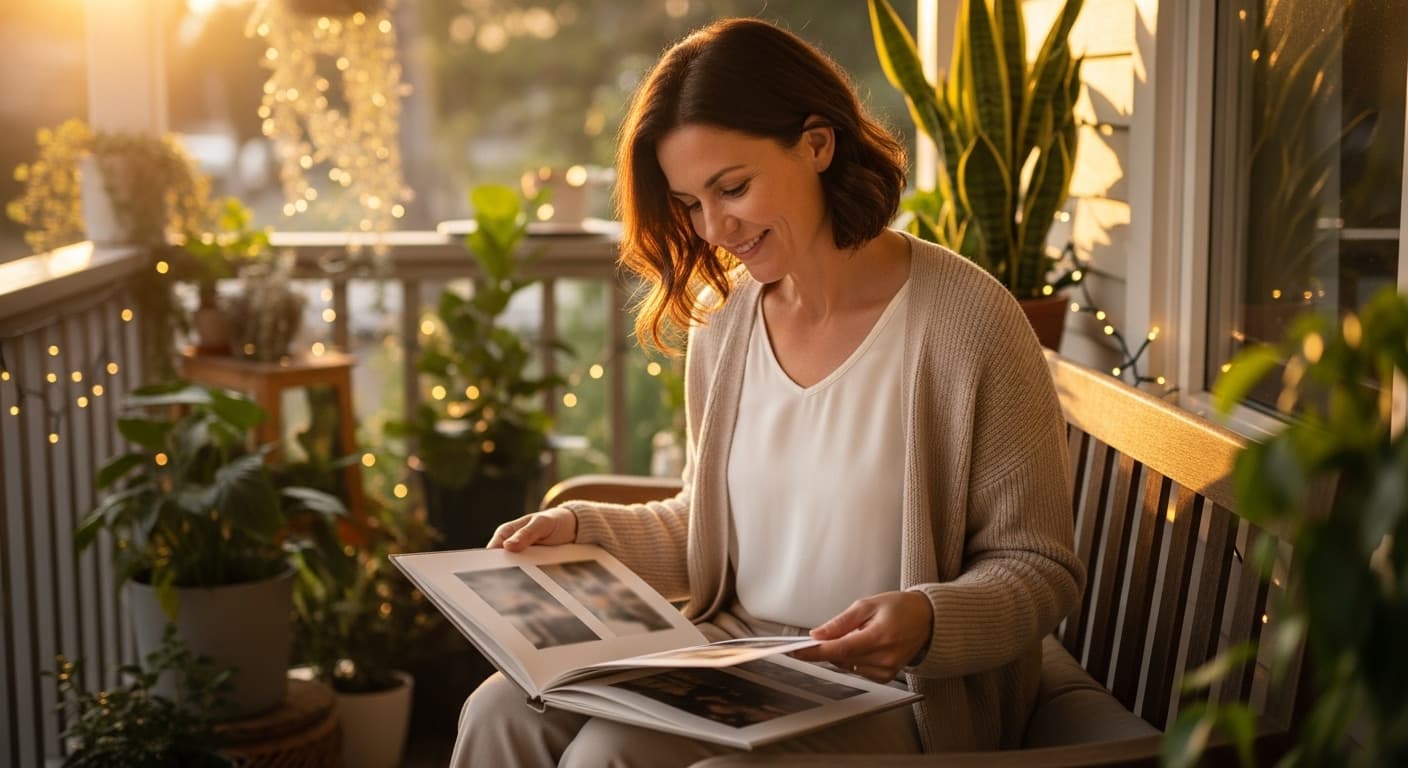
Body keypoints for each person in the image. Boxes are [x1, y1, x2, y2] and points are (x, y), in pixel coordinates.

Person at [451, 16, 1084, 767]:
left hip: (894, 690)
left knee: (603, 760)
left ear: (818, 144)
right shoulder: (728, 324)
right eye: (689, 203)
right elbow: (706, 528)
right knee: (497, 714)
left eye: (733, 187)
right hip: (737, 654)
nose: (714, 227)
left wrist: (926, 616)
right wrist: (586, 532)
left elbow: (1040, 568)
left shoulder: (968, 321)